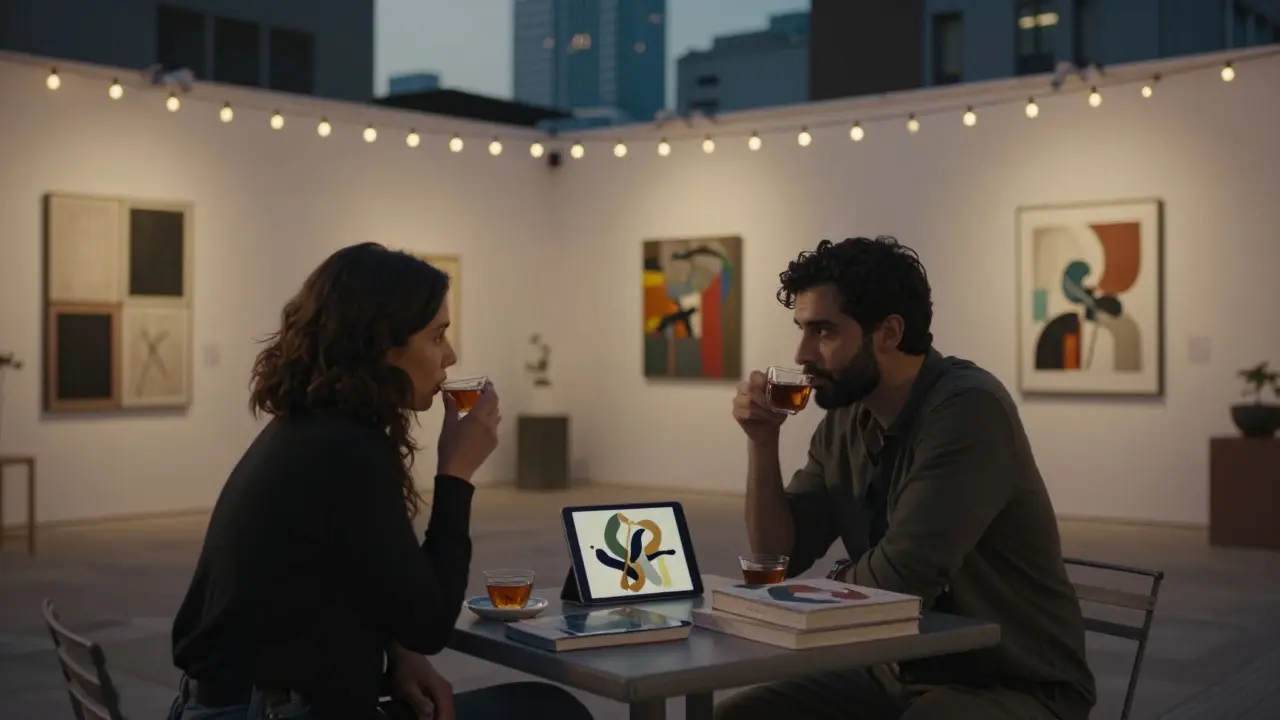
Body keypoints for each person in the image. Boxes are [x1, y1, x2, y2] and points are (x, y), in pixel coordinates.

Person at [167, 243, 594, 720]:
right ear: (383, 346)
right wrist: (456, 472)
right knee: (550, 713)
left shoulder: (315, 429)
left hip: (240, 705)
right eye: (437, 337)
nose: (450, 355)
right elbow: (430, 622)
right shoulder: (345, 451)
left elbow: (358, 574)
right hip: (269, 713)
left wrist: (400, 653)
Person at [721, 237, 1096, 720]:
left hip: (1010, 680)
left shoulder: (968, 410)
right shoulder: (844, 418)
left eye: (824, 331)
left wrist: (832, 580)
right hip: (895, 668)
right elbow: (779, 556)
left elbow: (899, 581)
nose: (803, 353)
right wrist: (761, 441)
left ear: (889, 332)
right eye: (801, 330)